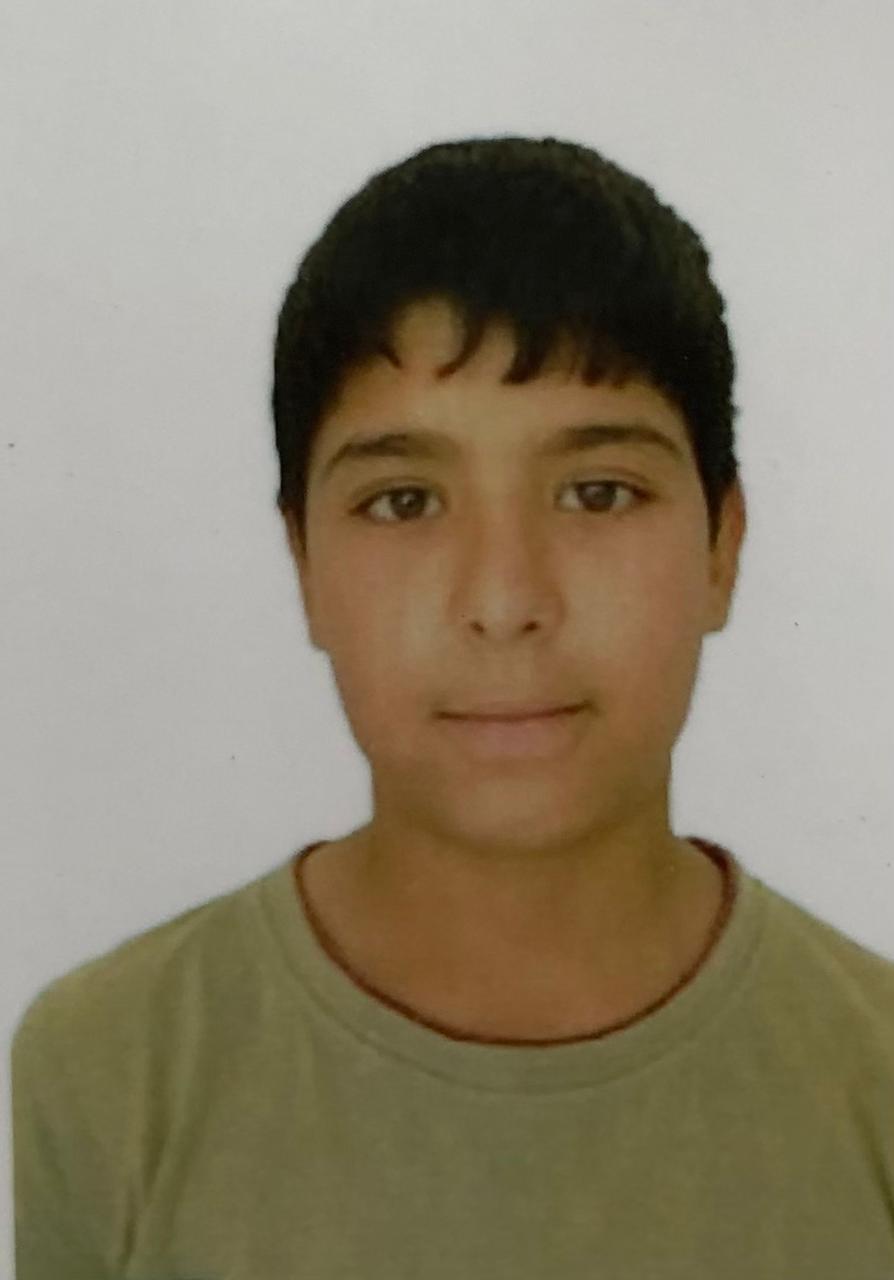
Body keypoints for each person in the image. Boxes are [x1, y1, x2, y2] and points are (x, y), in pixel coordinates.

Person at [11, 135, 894, 1278]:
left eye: (597, 491)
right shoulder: (108, 1072)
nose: (504, 599)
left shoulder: (871, 1085)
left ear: (721, 547)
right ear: (303, 564)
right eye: (404, 501)